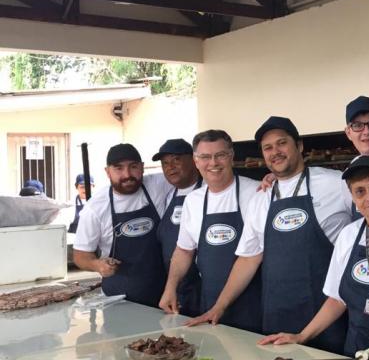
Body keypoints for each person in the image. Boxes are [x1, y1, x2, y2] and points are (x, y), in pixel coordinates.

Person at [187, 117, 352, 353]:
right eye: (268, 148)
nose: (275, 152)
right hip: (277, 317)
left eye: (282, 143)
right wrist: (218, 307)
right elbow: (248, 259)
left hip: (327, 315)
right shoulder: (261, 198)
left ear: (300, 146)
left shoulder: (336, 185)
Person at [258, 156, 369, 357]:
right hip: (358, 354)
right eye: (360, 191)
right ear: (352, 197)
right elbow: (336, 298)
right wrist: (302, 336)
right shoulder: (349, 235)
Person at [159, 130, 262, 331]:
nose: (213, 163)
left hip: (253, 304)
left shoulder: (257, 192)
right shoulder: (193, 201)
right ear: (196, 161)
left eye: (220, 155)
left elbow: (252, 257)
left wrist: (220, 306)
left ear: (231, 156)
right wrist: (171, 287)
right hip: (209, 303)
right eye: (205, 157)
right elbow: (184, 250)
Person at [73, 143, 170, 307]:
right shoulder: (95, 207)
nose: (127, 174)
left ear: (142, 167)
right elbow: (80, 255)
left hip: (164, 294)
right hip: (118, 299)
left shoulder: (159, 184)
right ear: (107, 171)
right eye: (118, 168)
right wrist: (97, 264)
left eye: (133, 167)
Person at [153, 138, 204, 317]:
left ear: (193, 160)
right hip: (177, 290)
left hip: (204, 290)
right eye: (165, 163)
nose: (170, 167)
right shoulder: (166, 197)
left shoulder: (208, 191)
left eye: (176, 160)